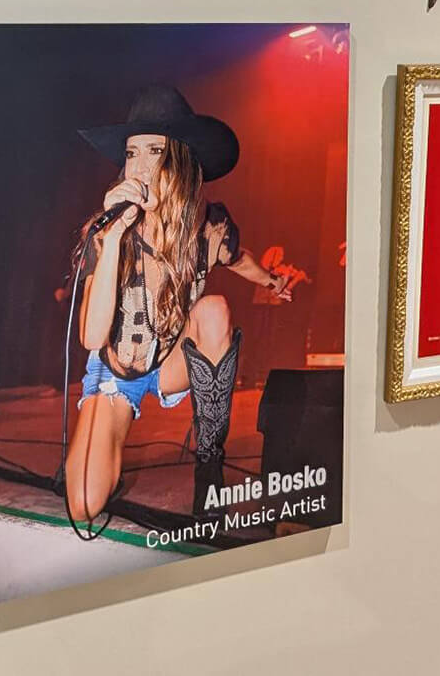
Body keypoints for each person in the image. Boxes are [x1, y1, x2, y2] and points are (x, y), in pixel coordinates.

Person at [63, 85, 293, 526]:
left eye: (154, 151)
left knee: (213, 310)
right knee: (85, 504)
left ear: (182, 163)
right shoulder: (107, 233)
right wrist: (111, 241)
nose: (141, 167)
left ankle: (209, 463)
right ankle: (87, 456)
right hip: (118, 370)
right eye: (131, 154)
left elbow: (237, 259)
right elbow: (91, 337)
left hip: (171, 359)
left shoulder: (208, 228)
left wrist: (272, 280)